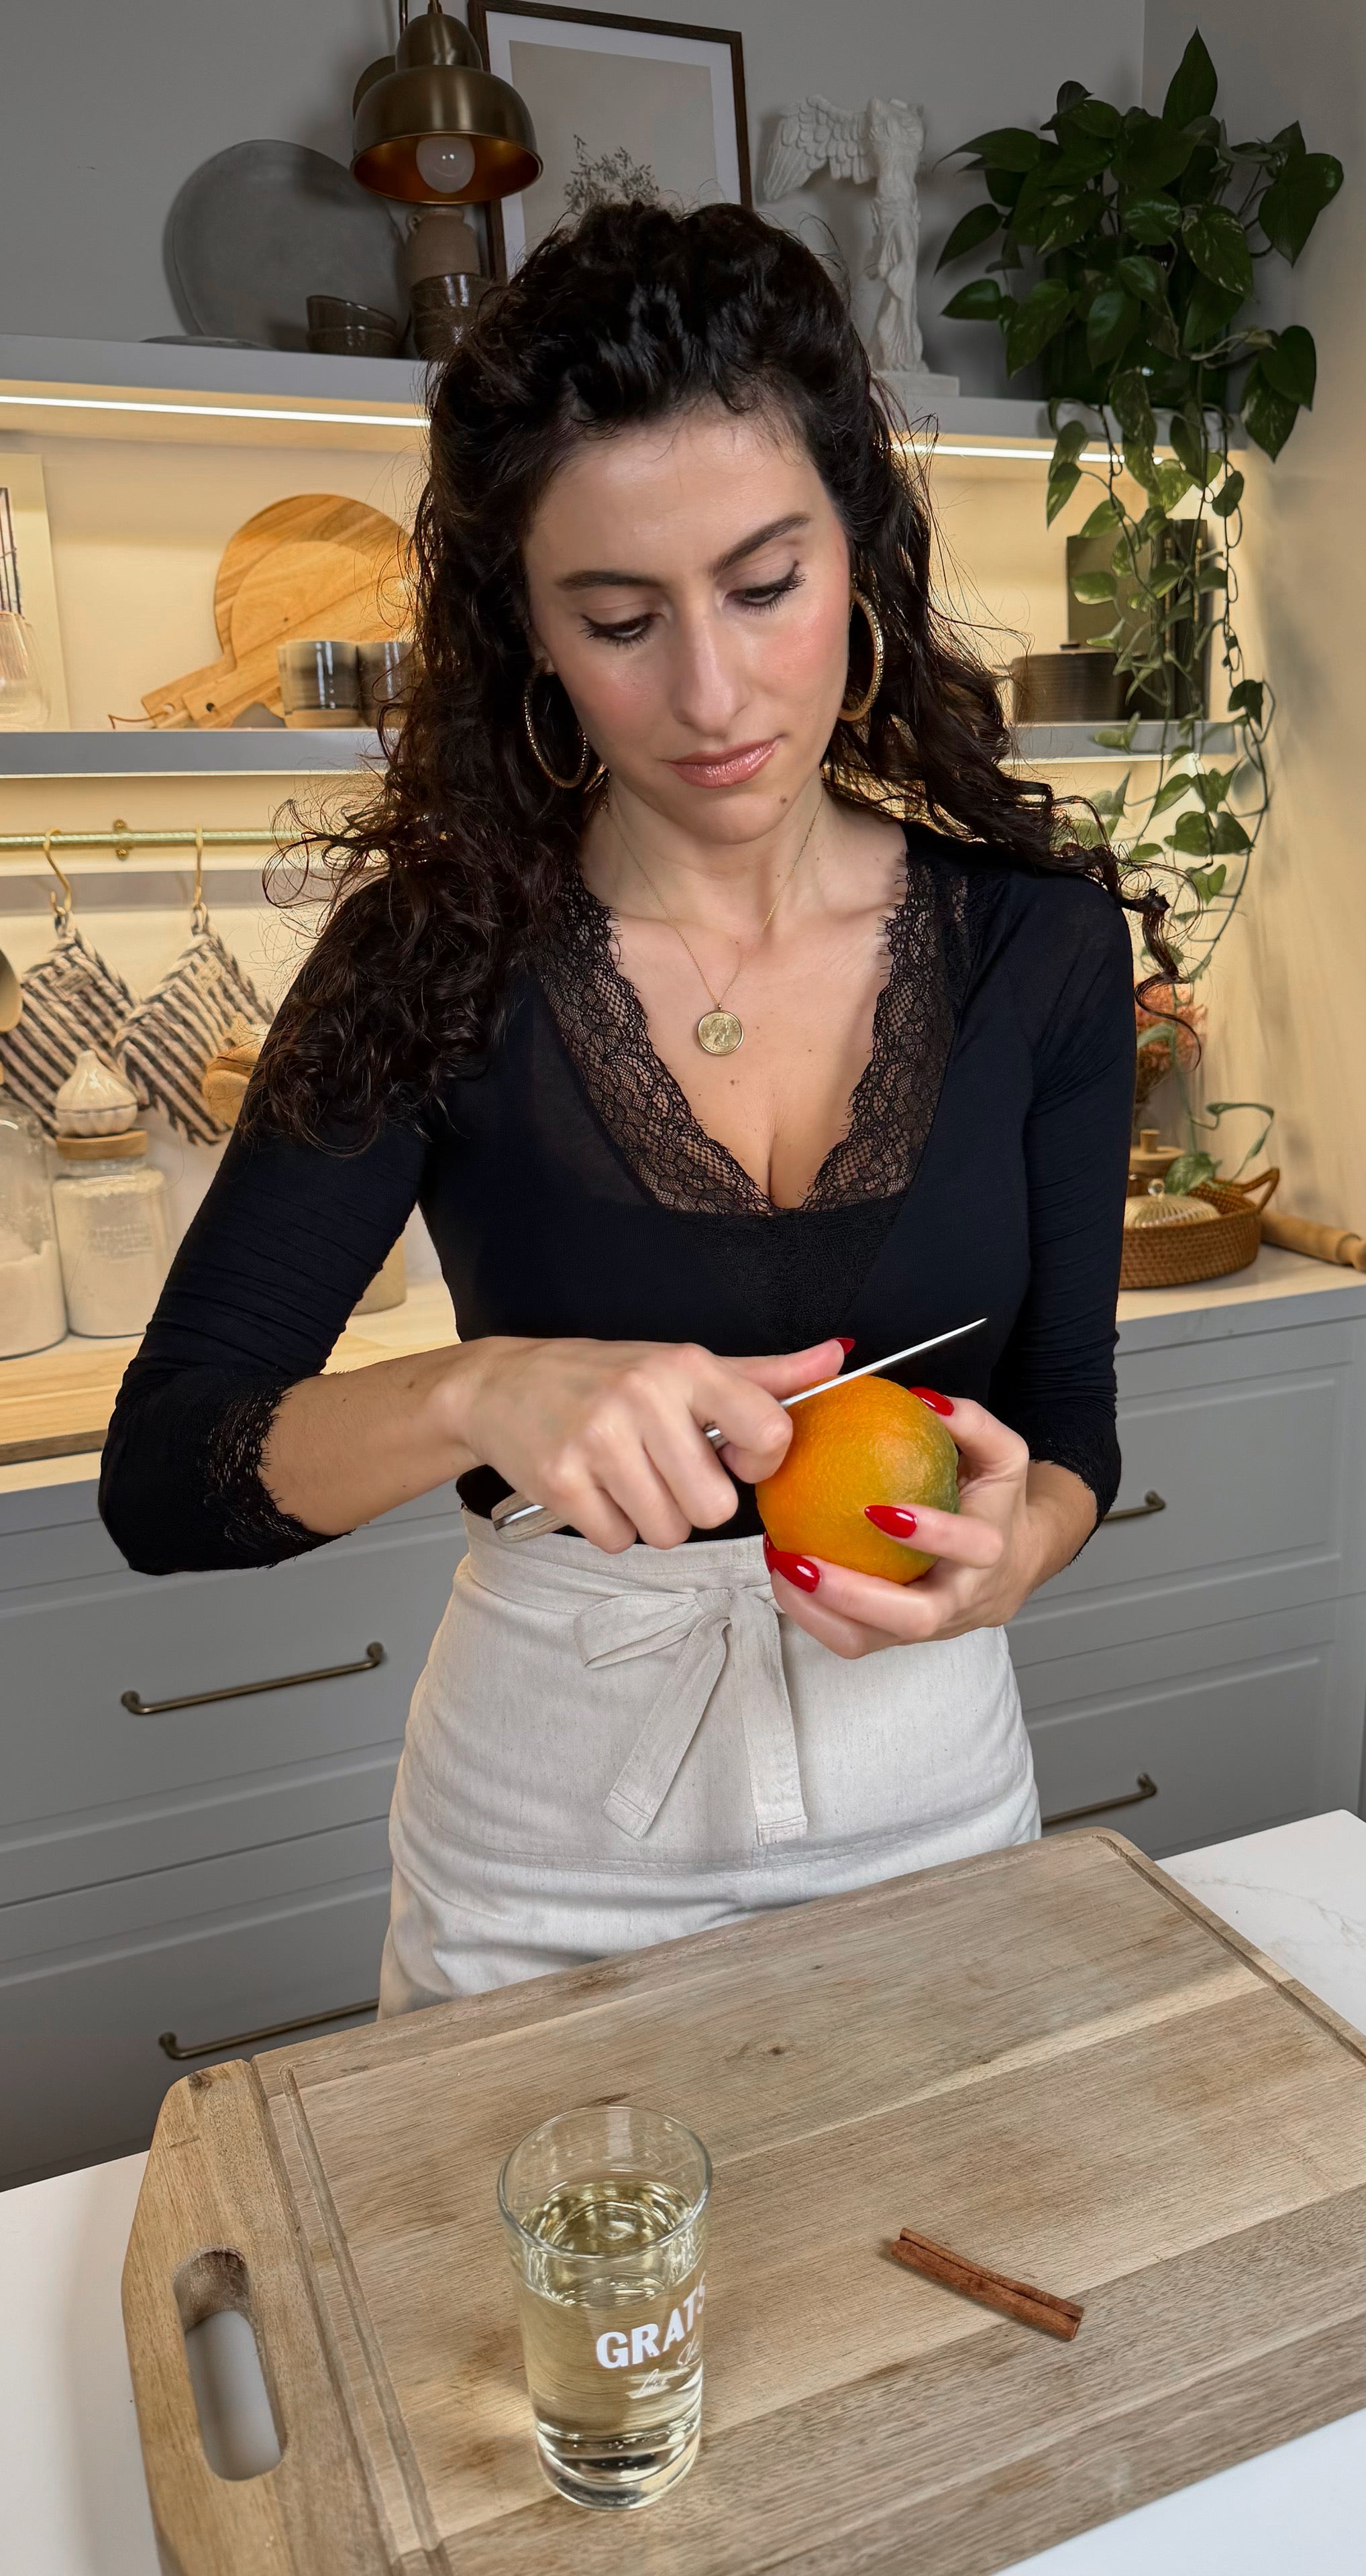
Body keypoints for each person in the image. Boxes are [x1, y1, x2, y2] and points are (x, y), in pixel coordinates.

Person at [100, 201, 1163, 2015]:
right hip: (546, 1846)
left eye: (766, 587)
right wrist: (480, 1391)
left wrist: (1017, 1552)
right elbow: (167, 1477)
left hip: (931, 1794)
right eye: (617, 618)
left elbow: (1069, 1421)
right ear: (526, 628)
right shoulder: (431, 958)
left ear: (860, 554)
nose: (711, 692)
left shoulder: (1039, 947)